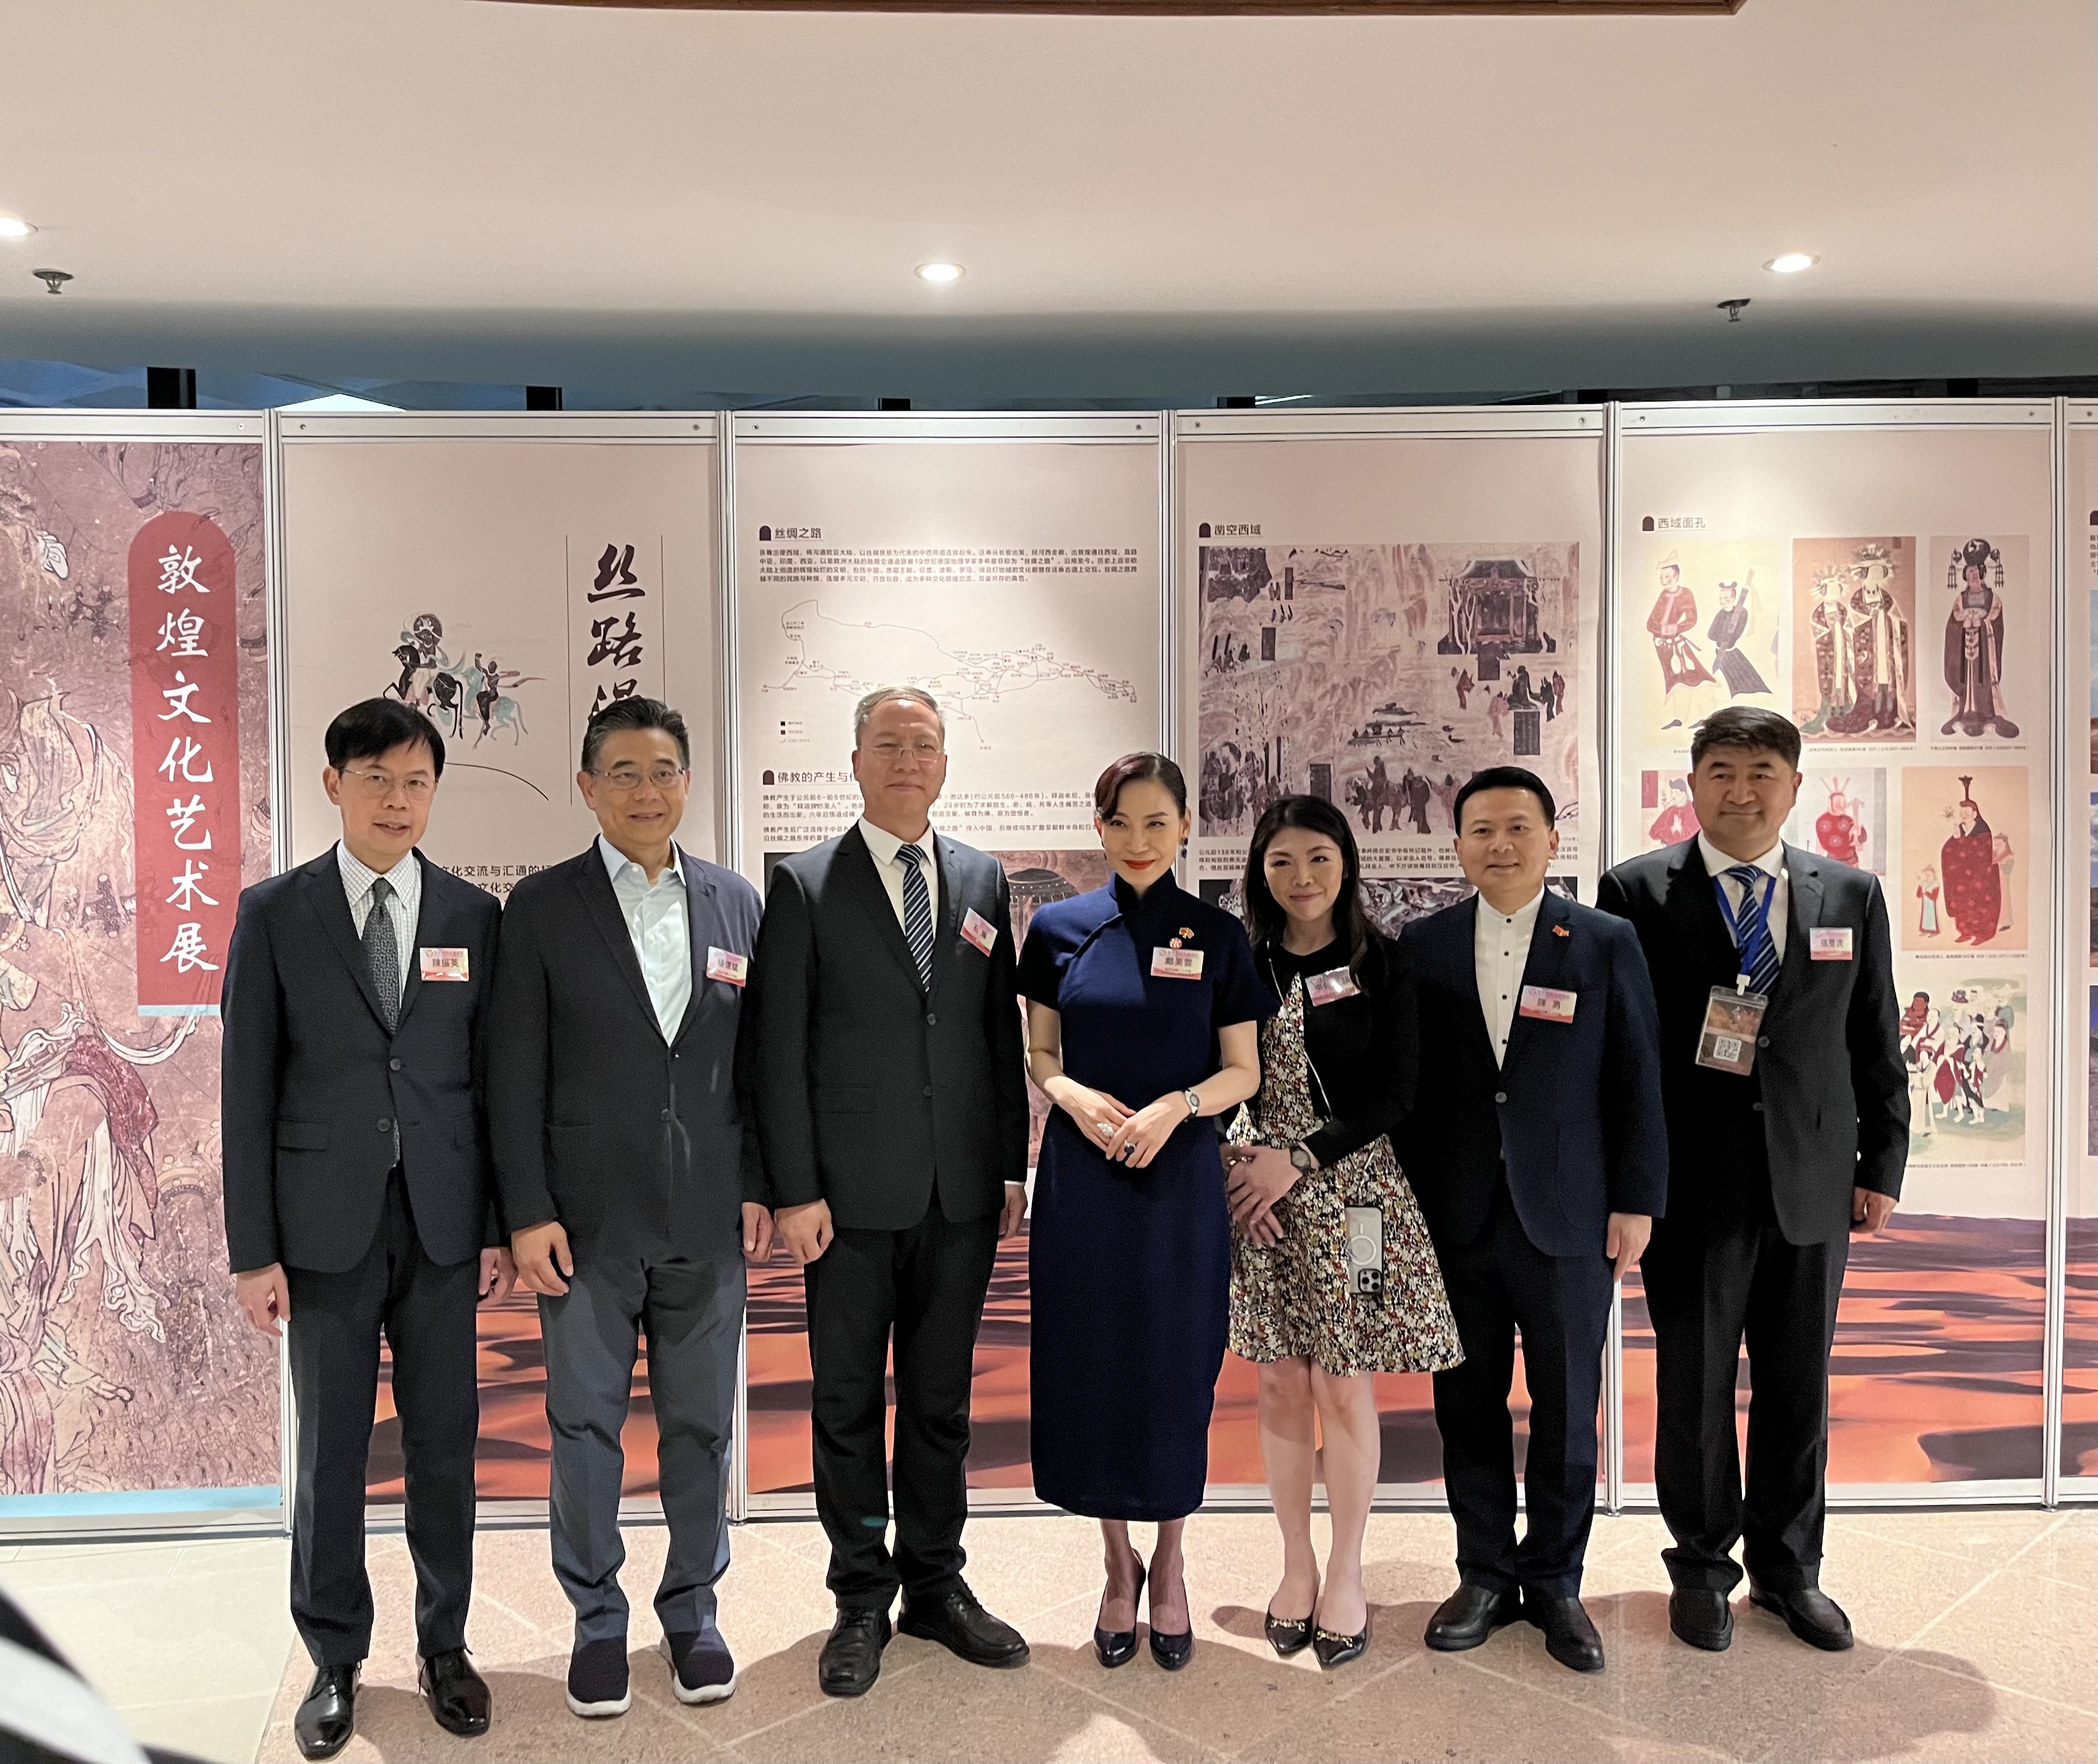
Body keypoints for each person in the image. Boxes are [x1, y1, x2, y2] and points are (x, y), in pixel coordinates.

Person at [221, 697, 507, 1760]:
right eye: (377, 779)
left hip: (442, 1227)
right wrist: (253, 1249)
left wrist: (495, 1226)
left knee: (445, 1448)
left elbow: (492, 1083)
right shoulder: (275, 912)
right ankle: (335, 1655)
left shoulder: (474, 915)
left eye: (416, 782)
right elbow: (245, 1090)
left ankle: (445, 1646)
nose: (397, 800)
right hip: (320, 1230)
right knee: (332, 1452)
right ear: (334, 785)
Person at [740, 686, 1032, 1699]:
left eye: (927, 745)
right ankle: (861, 1592)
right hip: (847, 1202)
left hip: (961, 1193)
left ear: (945, 763)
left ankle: (936, 1584)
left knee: (943, 1404)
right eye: (890, 744)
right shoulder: (805, 882)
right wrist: (794, 1190)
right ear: (856, 761)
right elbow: (776, 1053)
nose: (910, 760)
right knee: (848, 1404)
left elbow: (993, 1034)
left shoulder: (982, 877)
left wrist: (1010, 1167)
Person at [1597, 705, 1908, 1656]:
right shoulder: (1636, 891)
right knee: (1694, 1388)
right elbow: (1623, 1054)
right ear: (1692, 785)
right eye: (1722, 772)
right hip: (1691, 1189)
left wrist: (1882, 1165)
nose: (1742, 791)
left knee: (1797, 1384)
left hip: (1813, 1183)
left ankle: (1788, 1570)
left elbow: (1875, 1039)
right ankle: (1701, 1567)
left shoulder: (1850, 893)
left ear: (1794, 787)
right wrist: (1631, 1183)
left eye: (1762, 772)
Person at [488, 696, 767, 1720]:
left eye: (663, 772)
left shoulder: (736, 902)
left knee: (699, 1428)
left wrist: (761, 1186)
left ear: (687, 782)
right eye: (624, 773)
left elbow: (761, 1064)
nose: (646, 792)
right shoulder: (541, 906)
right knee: (583, 1428)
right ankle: (596, 1621)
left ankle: (693, 1611)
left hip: (708, 1218)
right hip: (584, 1223)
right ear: (587, 786)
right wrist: (526, 1211)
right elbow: (513, 1071)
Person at [1397, 767, 1664, 1674]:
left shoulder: (1603, 940)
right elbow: (1411, 1089)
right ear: (1458, 845)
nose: (1500, 845)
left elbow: (1637, 1076)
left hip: (1571, 1218)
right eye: (1481, 830)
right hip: (1458, 1217)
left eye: (1518, 827)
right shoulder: (1424, 944)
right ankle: (1483, 1573)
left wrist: (1637, 1201)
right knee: (1466, 1406)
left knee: (1568, 1407)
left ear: (1553, 840)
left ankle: (1555, 1581)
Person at [1019, 754, 1270, 1672]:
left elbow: (1242, 1070)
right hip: (1083, 1184)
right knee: (1092, 1366)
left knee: (1173, 1367)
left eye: (1157, 822)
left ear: (1186, 826)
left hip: (1180, 1184)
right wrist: (1073, 1097)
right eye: (1120, 822)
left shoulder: (1218, 934)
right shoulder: (1058, 927)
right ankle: (1115, 1564)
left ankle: (1169, 1563)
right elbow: (1041, 1053)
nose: (1138, 840)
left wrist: (1178, 1107)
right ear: (1098, 826)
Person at [1219, 794, 1460, 1671]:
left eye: (1319, 858)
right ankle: (1297, 1566)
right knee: (1280, 1382)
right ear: (1261, 872)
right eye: (1282, 861)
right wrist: (1245, 1164)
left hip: (1357, 1203)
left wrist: (1299, 1159)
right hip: (1262, 1202)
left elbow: (1398, 1094)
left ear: (1347, 863)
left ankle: (1348, 1569)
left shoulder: (1382, 963)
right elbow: (1216, 1074)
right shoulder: (1240, 962)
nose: (1302, 878)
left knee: (1344, 1385)